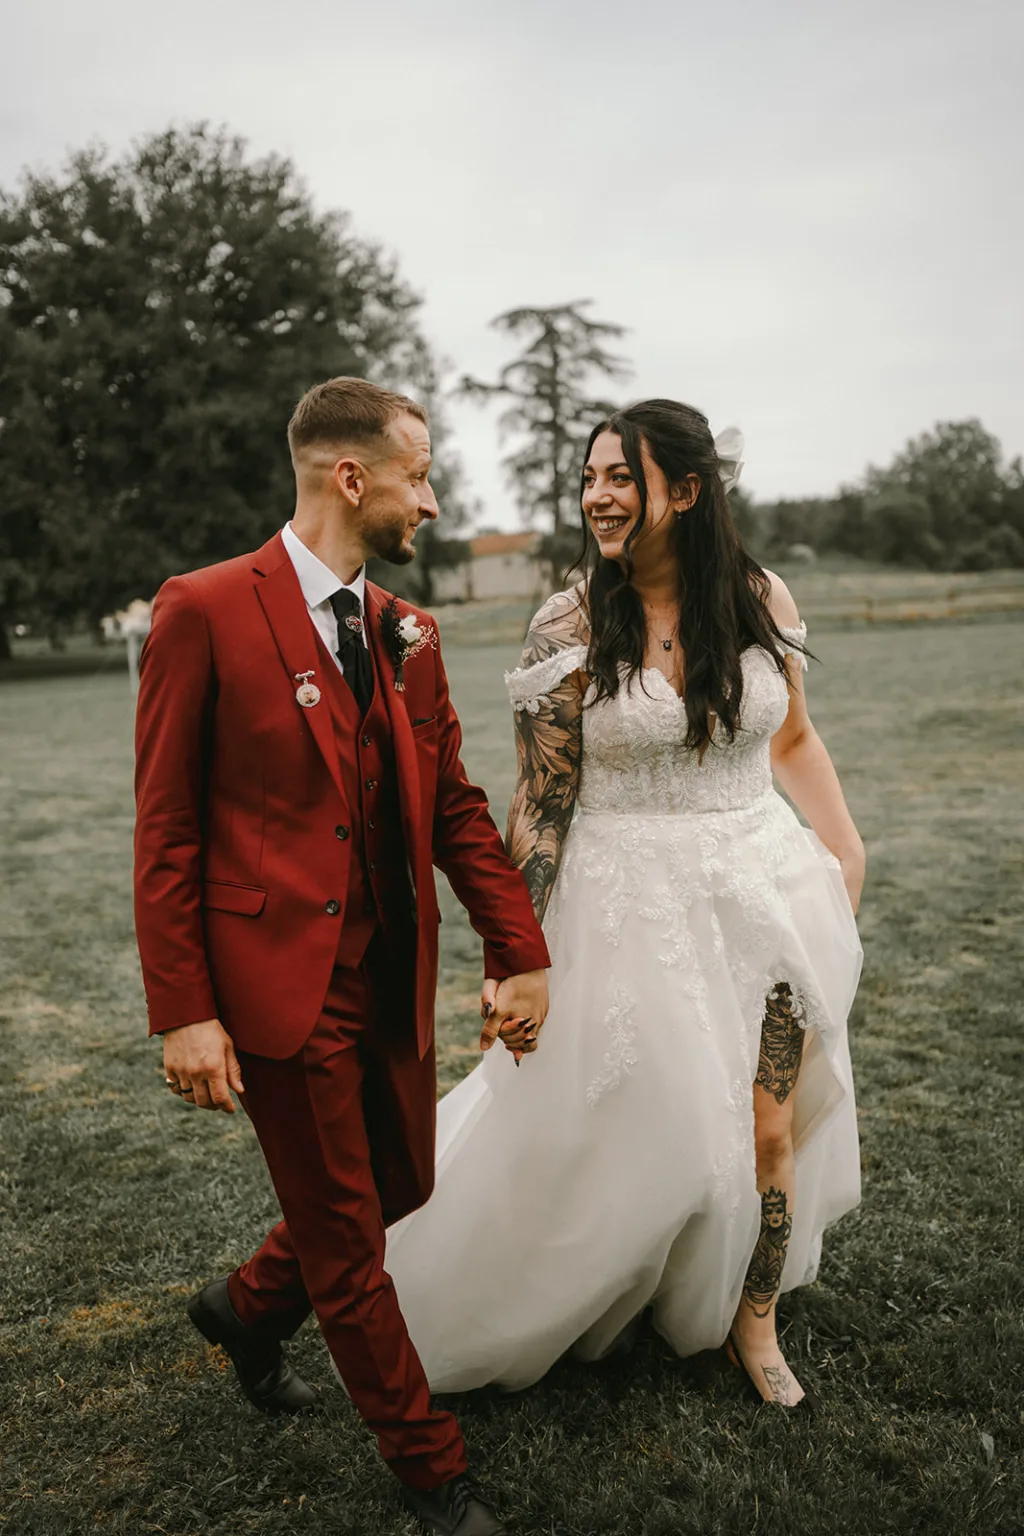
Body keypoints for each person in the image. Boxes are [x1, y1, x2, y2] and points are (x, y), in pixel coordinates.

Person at [385, 398, 865, 1410]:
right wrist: (517, 951)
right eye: (589, 478)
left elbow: (792, 741)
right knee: (648, 1132)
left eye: (620, 478)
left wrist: (843, 846)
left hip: (766, 892)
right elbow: (539, 799)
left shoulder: (758, 597)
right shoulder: (567, 622)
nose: (598, 497)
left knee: (767, 1131)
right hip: (623, 905)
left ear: (684, 493)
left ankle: (755, 1320)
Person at [133, 376, 550, 1536]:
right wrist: (184, 1010)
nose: (431, 500)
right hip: (273, 984)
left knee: (396, 1186)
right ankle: (435, 1475)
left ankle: (245, 1308)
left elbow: (455, 805)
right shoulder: (203, 609)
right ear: (351, 477)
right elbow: (165, 827)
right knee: (348, 1243)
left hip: (388, 973)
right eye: (418, 476)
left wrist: (519, 946)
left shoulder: (406, 633)